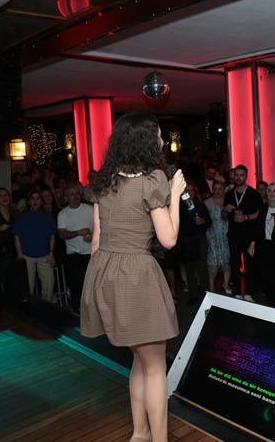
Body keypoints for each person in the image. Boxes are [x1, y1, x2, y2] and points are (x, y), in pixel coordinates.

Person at [80, 112, 186, 442]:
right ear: (146, 141)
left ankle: (140, 433)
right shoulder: (153, 179)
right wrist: (175, 195)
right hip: (136, 275)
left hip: (105, 272)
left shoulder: (104, 180)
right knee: (155, 367)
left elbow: (96, 240)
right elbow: (168, 240)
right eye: (158, 135)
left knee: (140, 361)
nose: (162, 141)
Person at [222, 164, 262, 301]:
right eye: (236, 175)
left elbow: (260, 213)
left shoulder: (253, 193)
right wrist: (225, 210)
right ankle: (237, 292)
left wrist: (246, 217)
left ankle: (249, 293)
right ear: (233, 176)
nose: (238, 178)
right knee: (234, 263)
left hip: (249, 234)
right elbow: (224, 216)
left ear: (246, 176)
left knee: (250, 264)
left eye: (241, 175)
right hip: (233, 235)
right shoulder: (229, 194)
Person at [13, 191, 58, 301]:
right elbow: (16, 236)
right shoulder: (22, 217)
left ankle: (46, 305)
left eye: (38, 198)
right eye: (32, 198)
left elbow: (52, 236)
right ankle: (29, 307)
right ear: (28, 202)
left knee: (49, 283)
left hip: (45, 255)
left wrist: (51, 253)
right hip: (27, 256)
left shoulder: (47, 217)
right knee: (27, 285)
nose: (35, 201)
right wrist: (20, 255)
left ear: (41, 202)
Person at [248, 182, 275, 308]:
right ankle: (271, 305)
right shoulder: (264, 208)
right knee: (266, 278)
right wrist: (252, 244)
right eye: (269, 191)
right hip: (264, 247)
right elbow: (258, 227)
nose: (272, 193)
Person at [57, 184, 94, 313]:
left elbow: (100, 228)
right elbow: (62, 234)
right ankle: (77, 308)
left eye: (77, 194)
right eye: (72, 195)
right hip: (73, 253)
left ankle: (93, 308)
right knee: (75, 283)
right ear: (66, 198)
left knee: (93, 282)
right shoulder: (63, 214)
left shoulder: (89, 209)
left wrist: (92, 236)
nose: (75, 196)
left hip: (91, 252)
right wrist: (78, 233)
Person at [176, 182, 211, 304]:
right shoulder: (179, 207)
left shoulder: (200, 205)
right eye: (187, 190)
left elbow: (209, 222)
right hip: (186, 241)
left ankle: (206, 296)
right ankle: (193, 295)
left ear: (195, 192)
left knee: (202, 269)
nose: (190, 192)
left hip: (199, 239)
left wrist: (203, 221)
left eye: (192, 190)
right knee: (189, 270)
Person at [205, 181, 231, 294]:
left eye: (220, 188)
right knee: (213, 262)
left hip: (226, 235)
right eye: (215, 189)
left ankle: (226, 284)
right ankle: (211, 287)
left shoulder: (229, 201)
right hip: (213, 236)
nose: (218, 191)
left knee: (227, 261)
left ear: (224, 189)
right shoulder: (207, 202)